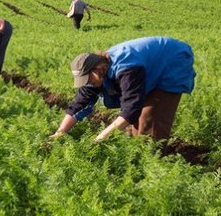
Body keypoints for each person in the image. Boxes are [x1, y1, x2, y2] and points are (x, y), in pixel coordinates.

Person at [51, 36, 196, 143]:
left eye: (88, 79)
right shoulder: (98, 74)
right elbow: (78, 104)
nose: (87, 83)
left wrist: (100, 139)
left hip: (172, 63)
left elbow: (131, 109)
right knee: (136, 126)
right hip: (149, 68)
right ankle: (137, 155)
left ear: (98, 70)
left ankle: (152, 166)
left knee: (150, 123)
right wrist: (59, 133)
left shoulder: (127, 69)